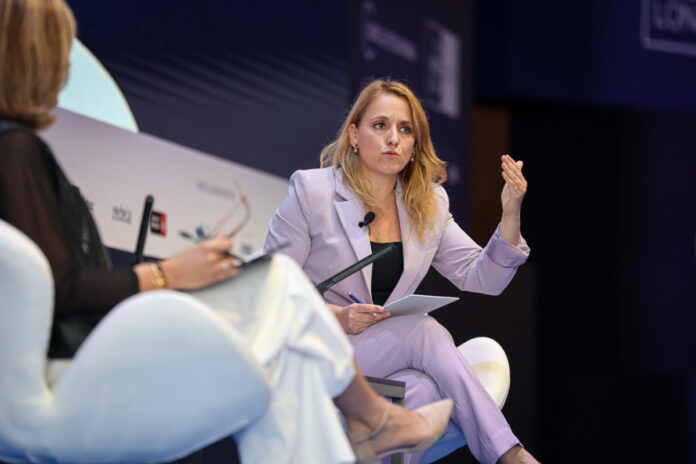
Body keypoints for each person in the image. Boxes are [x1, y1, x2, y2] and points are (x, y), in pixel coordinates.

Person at [0, 2, 453, 463]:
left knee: (286, 354)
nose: (66, 67)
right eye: (60, 51)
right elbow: (62, 289)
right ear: (32, 58)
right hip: (79, 358)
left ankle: (367, 424)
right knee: (280, 282)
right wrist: (169, 274)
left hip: (94, 344)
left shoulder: (18, 148)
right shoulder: (16, 149)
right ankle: (373, 418)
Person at [265, 79, 540, 464]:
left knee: (422, 390)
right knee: (424, 331)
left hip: (378, 357)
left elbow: (485, 278)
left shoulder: (428, 205)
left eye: (405, 129)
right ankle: (510, 454)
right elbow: (270, 289)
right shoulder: (312, 192)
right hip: (314, 350)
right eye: (380, 125)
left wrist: (510, 214)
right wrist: (340, 316)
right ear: (354, 135)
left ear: (414, 146)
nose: (393, 138)